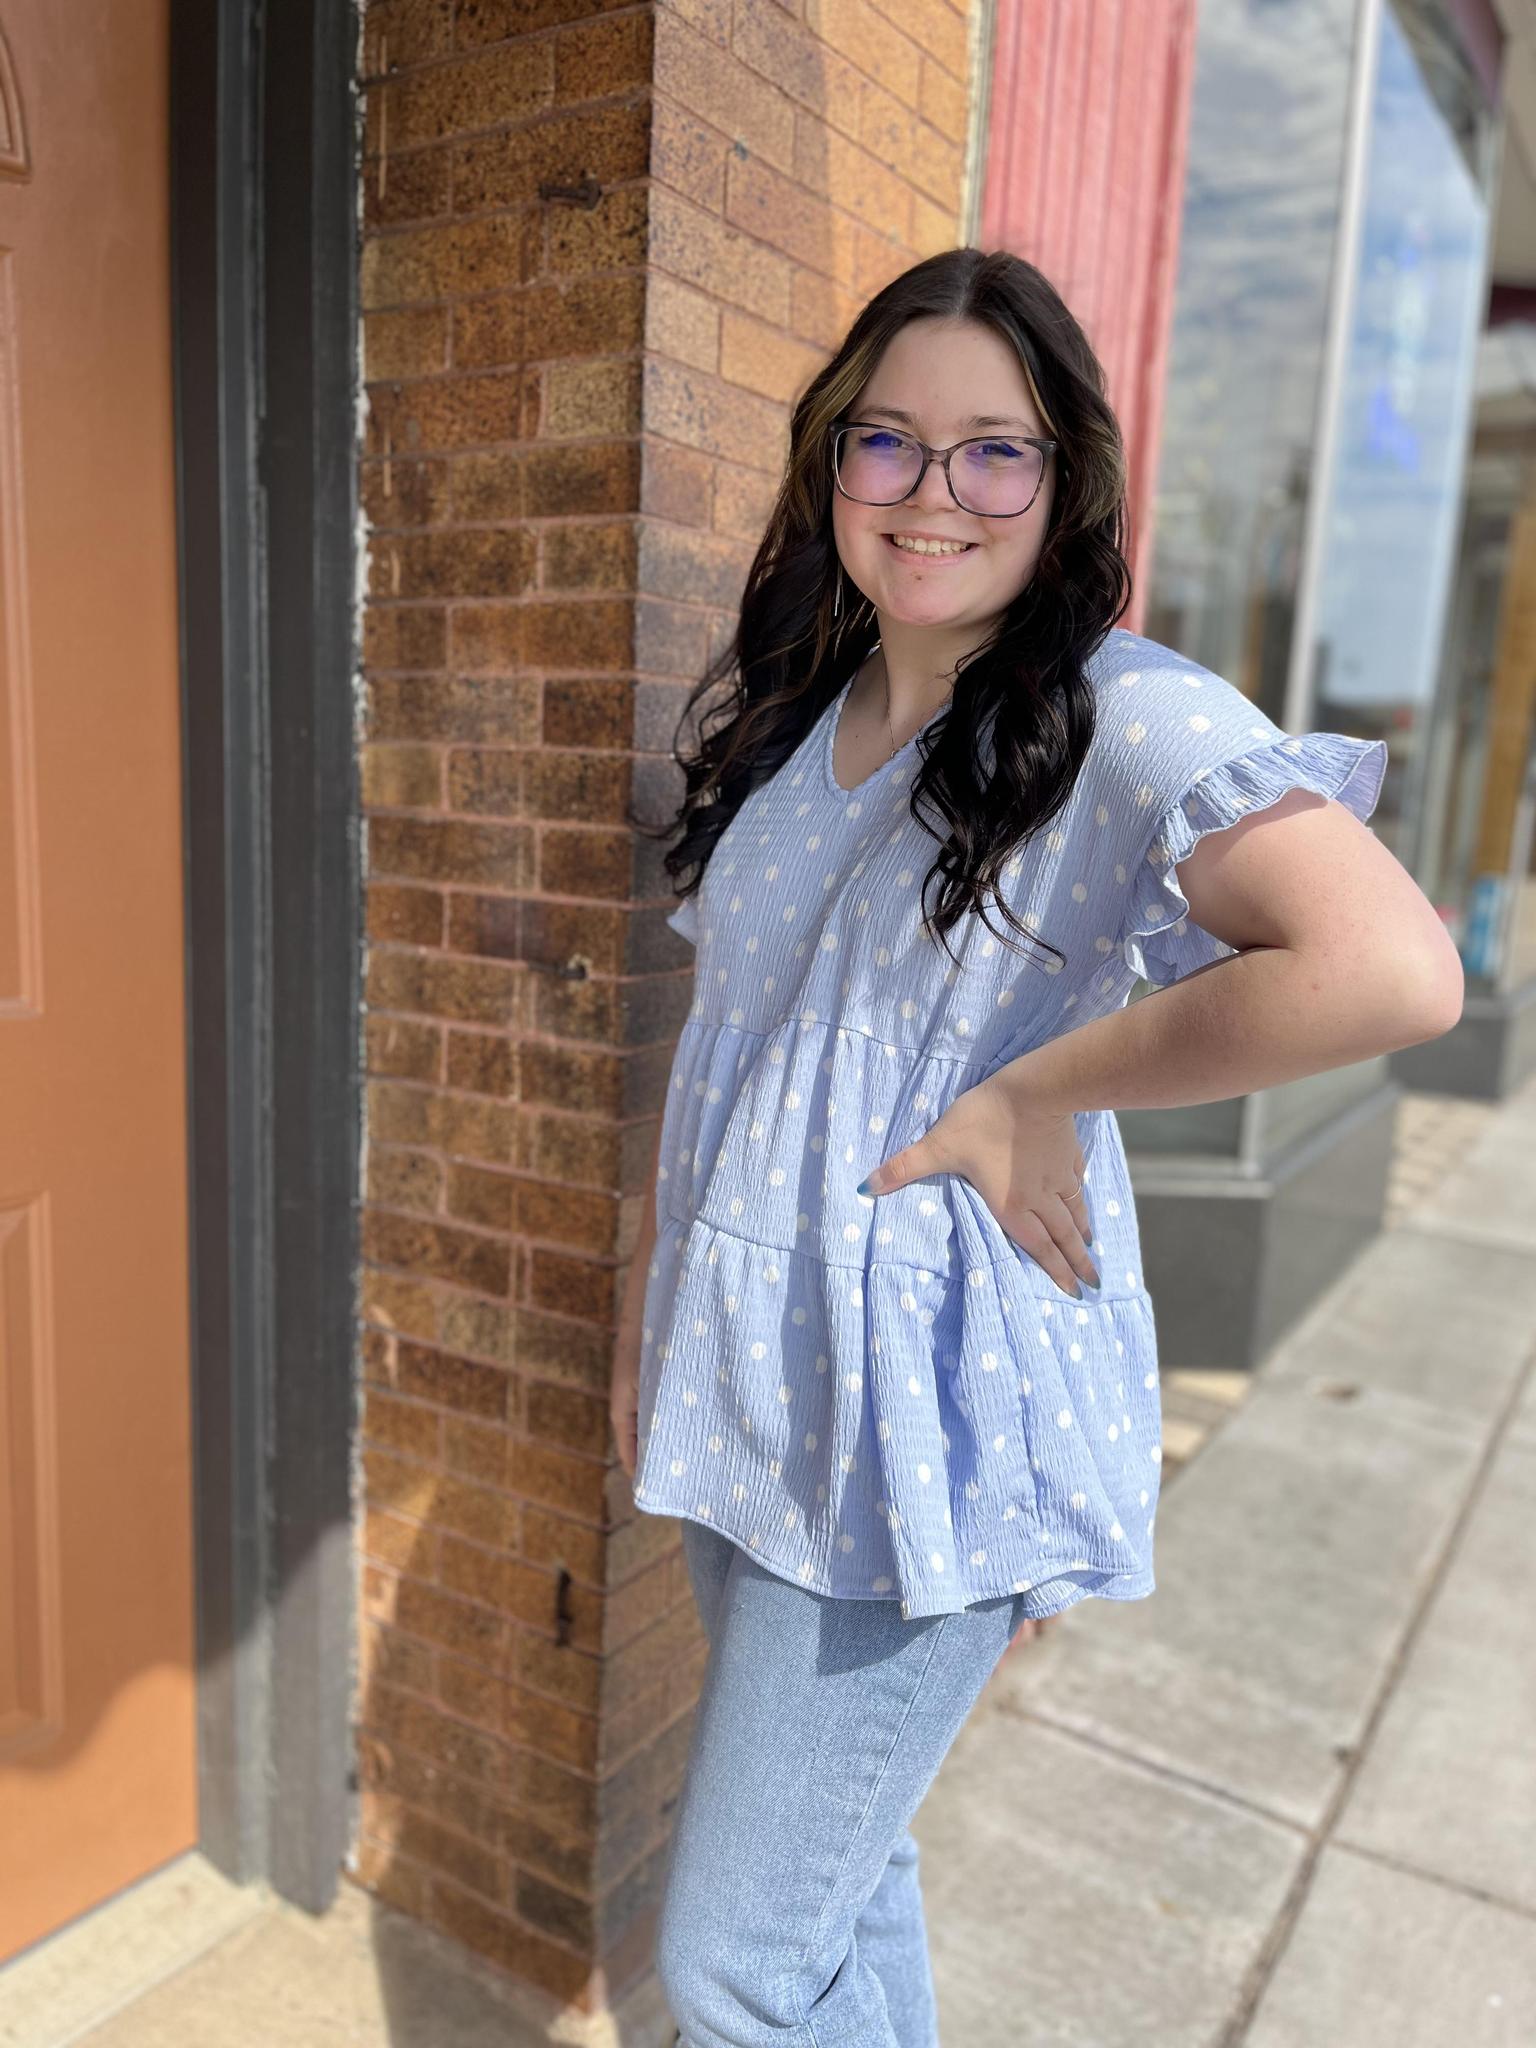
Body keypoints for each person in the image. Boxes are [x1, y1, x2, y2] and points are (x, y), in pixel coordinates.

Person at [614, 246, 1462, 2047]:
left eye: (994, 450)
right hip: (757, 1381)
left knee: (737, 1965)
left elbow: (1388, 968)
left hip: (922, 1418)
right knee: (852, 1877)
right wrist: (652, 1335)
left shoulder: (1118, 714)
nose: (934, 494)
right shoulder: (797, 721)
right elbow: (733, 1077)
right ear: (827, 464)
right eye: (887, 442)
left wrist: (1038, 1092)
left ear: (1064, 479)